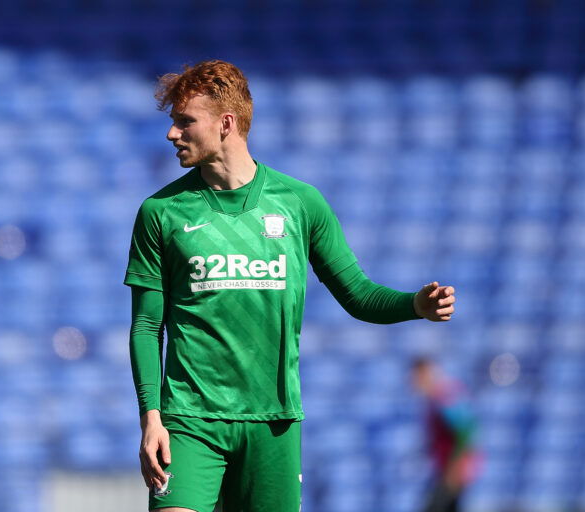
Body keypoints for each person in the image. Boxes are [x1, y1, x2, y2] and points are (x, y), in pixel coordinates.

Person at [125, 59, 456, 512]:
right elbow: (147, 326)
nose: (172, 134)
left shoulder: (300, 204)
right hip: (189, 420)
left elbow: (358, 294)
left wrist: (414, 304)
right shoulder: (161, 212)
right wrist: (151, 417)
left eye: (185, 122)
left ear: (226, 123)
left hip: (273, 422)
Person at [412, 358, 480, 512]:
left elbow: (466, 431)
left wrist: (455, 468)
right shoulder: (433, 399)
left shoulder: (444, 397)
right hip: (445, 469)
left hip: (453, 470)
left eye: (418, 376)